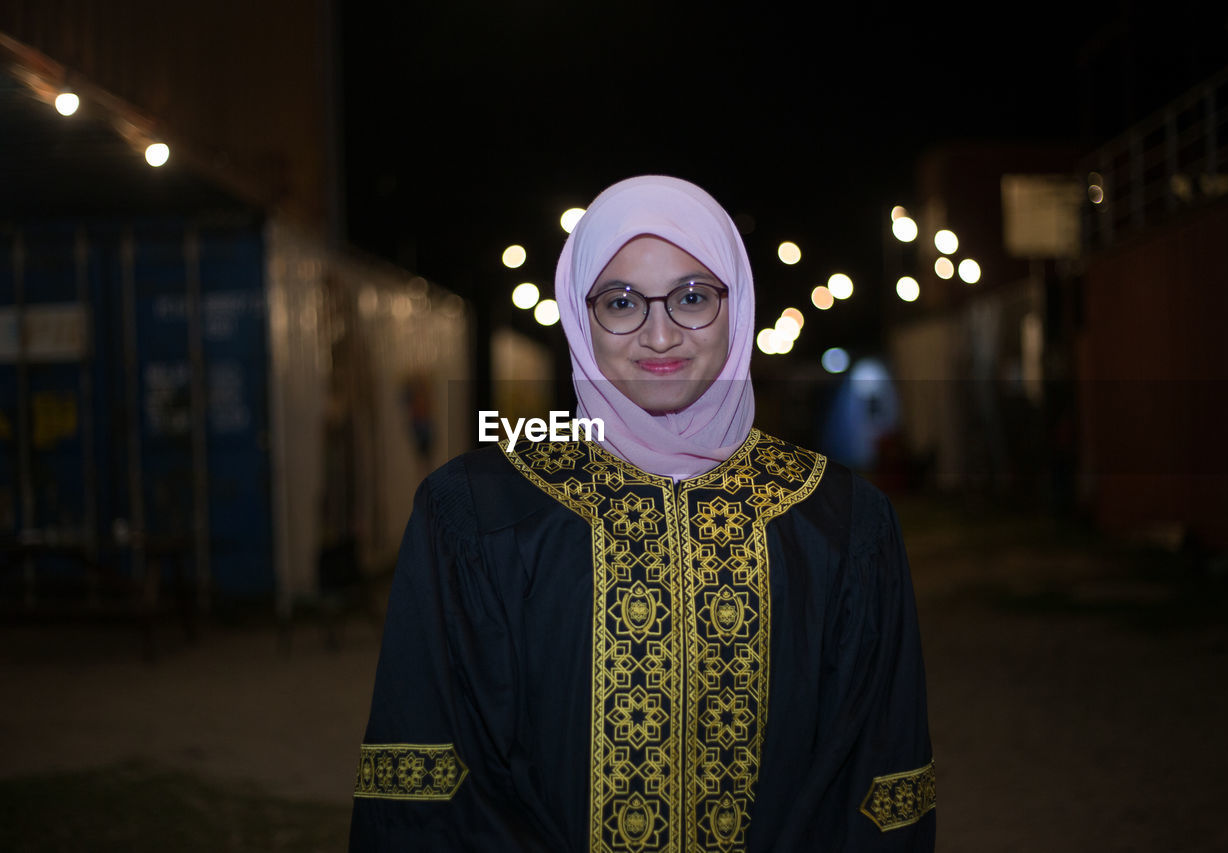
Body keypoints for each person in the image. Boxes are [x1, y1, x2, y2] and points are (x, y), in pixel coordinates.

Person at [349, 175, 935, 851]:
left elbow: (876, 783)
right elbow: (429, 785)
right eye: (622, 302)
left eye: (692, 297)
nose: (660, 336)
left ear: (736, 304)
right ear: (577, 311)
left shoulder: (839, 521)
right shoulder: (477, 512)